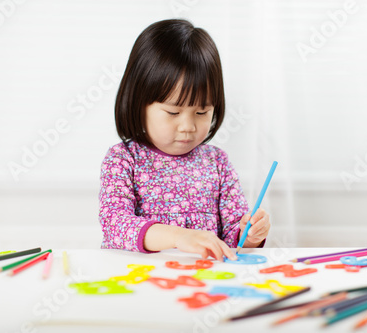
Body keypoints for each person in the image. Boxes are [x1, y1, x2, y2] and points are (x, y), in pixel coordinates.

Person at [98, 19, 270, 261]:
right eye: (173, 112)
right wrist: (179, 237)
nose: (188, 127)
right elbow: (115, 225)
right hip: (139, 281)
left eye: (201, 113)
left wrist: (250, 235)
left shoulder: (217, 163)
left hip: (202, 283)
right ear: (139, 103)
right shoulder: (124, 159)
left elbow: (233, 236)